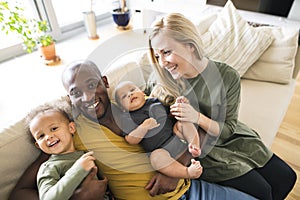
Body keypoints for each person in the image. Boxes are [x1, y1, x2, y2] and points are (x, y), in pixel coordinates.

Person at [9, 60, 257, 200]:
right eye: (75, 92)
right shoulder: (72, 131)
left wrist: (176, 167)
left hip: (190, 190)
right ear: (69, 98)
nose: (86, 97)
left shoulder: (137, 102)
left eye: (92, 85)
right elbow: (19, 193)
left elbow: (195, 132)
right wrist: (79, 197)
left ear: (105, 83)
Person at [148, 12, 297, 200]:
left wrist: (197, 117)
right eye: (157, 55)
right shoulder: (160, 81)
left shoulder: (227, 76)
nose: (162, 63)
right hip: (204, 151)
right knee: (263, 192)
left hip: (231, 137)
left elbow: (227, 130)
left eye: (167, 52)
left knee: (287, 178)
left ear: (190, 45)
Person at [114, 81, 201, 179]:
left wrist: (179, 105)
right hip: (160, 150)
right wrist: (143, 127)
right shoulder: (127, 118)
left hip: (176, 135)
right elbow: (130, 140)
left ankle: (194, 146)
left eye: (132, 90)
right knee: (155, 159)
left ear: (143, 93)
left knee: (182, 123)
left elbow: (171, 114)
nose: (130, 94)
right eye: (124, 96)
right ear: (123, 108)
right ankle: (187, 172)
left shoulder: (155, 101)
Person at [25, 102, 110, 200]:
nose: (48, 137)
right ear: (38, 145)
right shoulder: (49, 167)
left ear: (71, 128)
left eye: (54, 128)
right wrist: (78, 170)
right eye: (41, 136)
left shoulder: (84, 153)